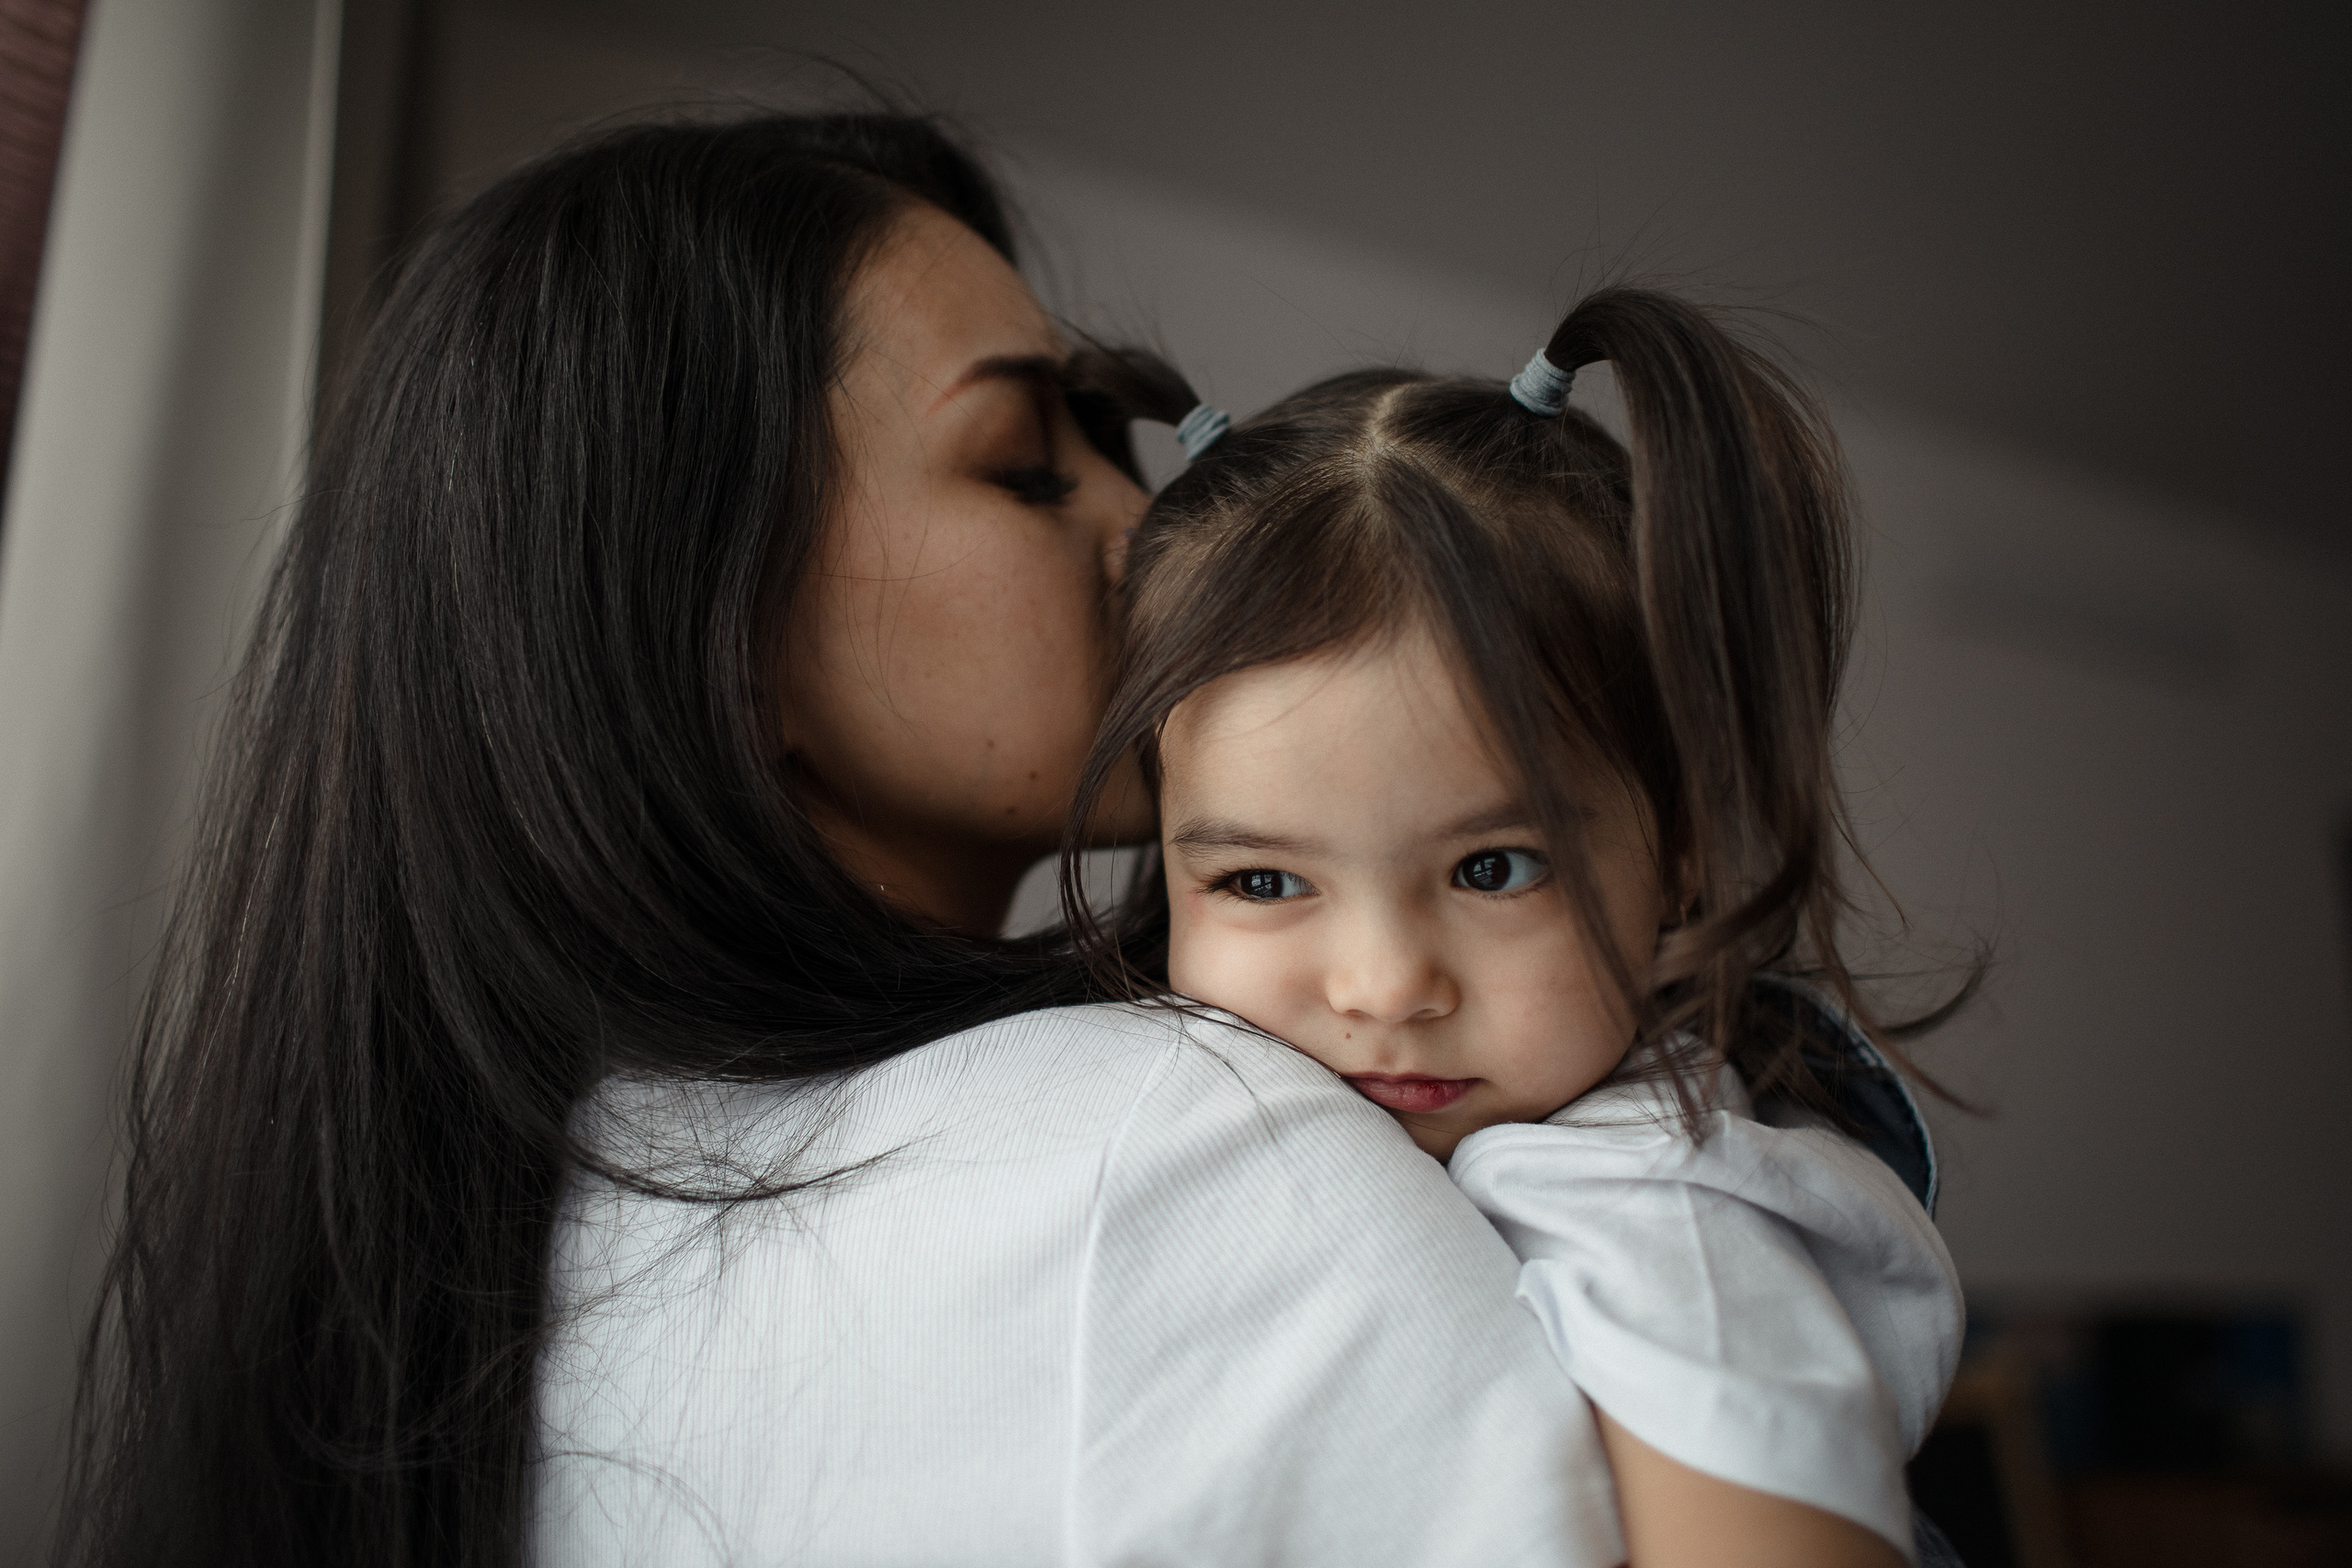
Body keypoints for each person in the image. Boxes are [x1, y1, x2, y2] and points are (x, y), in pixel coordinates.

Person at [62, 114, 1638, 1568]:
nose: (1149, 528)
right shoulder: (1177, 1148)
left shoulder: (523, 1231)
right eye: (1027, 467)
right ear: (713, 633)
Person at [1060, 290, 1975, 1565]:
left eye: (1495, 867)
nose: (1386, 985)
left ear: (1680, 850)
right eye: (1264, 882)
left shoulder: (1653, 1202)